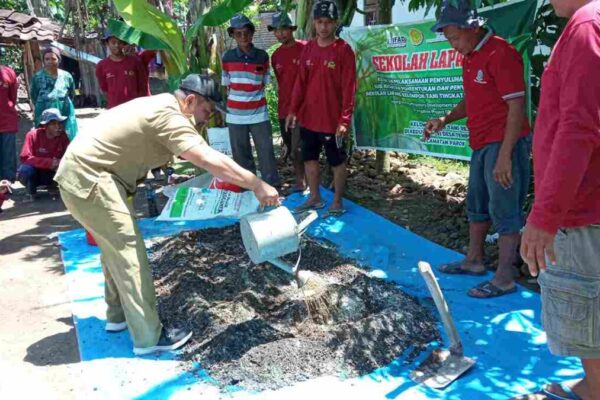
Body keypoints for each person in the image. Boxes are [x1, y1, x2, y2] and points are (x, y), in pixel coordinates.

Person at [54, 74, 280, 355]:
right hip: (91, 179)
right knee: (129, 252)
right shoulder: (169, 115)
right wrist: (257, 184)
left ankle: (118, 316)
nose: (206, 120)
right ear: (190, 100)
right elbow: (207, 159)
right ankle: (149, 339)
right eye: (206, 112)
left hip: (94, 176)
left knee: (113, 247)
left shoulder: (162, 105)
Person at [423, 0, 531, 299]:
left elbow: (517, 106)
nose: (453, 44)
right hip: (482, 142)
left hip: (504, 143)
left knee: (504, 209)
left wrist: (506, 155)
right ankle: (474, 261)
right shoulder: (470, 56)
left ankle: (505, 276)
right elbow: (472, 100)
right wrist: (445, 119)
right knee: (477, 203)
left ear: (472, 27)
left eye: (454, 37)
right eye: (448, 39)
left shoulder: (501, 53)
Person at [520, 0, 600, 398]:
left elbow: (578, 127)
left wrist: (545, 216)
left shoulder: (587, 25)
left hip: (582, 206)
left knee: (583, 302)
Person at [286, 1, 356, 217]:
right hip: (308, 119)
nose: (324, 27)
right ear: (314, 23)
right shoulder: (308, 49)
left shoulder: (343, 51)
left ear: (335, 23)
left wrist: (344, 120)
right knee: (309, 158)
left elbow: (349, 88)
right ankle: (314, 197)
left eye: (328, 22)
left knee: (337, 161)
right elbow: (300, 83)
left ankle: (337, 201)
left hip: (332, 122)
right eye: (320, 22)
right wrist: (293, 110)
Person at [222, 14, 281, 188]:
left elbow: (265, 83)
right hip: (235, 116)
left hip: (259, 114)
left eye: (246, 32)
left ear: (252, 33)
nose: (242, 37)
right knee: (241, 156)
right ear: (233, 35)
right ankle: (248, 189)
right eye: (238, 33)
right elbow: (227, 86)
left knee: (266, 153)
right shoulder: (227, 57)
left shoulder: (262, 56)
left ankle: (272, 189)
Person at [269, 12, 306, 193]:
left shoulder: (306, 48)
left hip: (304, 109)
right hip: (284, 108)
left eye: (284, 29)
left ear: (291, 29)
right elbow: (281, 81)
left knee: (299, 148)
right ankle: (302, 179)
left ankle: (302, 182)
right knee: (291, 146)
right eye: (276, 30)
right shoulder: (275, 56)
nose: (280, 34)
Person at [17, 108, 69, 201]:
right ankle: (31, 191)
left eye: (59, 123)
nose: (58, 127)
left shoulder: (63, 136)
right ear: (45, 126)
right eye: (53, 124)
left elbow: (69, 155)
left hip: (52, 172)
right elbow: (25, 158)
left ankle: (53, 186)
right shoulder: (32, 135)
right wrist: (48, 162)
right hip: (34, 173)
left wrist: (60, 162)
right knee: (27, 169)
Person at [30, 47, 78, 140]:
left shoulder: (66, 76)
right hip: (44, 110)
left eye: (53, 59)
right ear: (43, 60)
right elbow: (34, 96)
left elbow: (72, 93)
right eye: (47, 59)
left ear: (59, 60)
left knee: (67, 138)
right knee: (45, 140)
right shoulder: (37, 77)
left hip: (64, 110)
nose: (50, 61)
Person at [96, 31, 149, 109]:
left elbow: (142, 85)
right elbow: (104, 87)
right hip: (114, 109)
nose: (116, 45)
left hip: (134, 108)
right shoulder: (101, 65)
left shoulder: (135, 62)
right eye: (113, 42)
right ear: (107, 44)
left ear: (124, 44)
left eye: (120, 42)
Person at [0, 53, 18, 182]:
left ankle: (8, 181)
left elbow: (13, 97)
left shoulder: (8, 72)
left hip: (7, 119)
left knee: (8, 153)